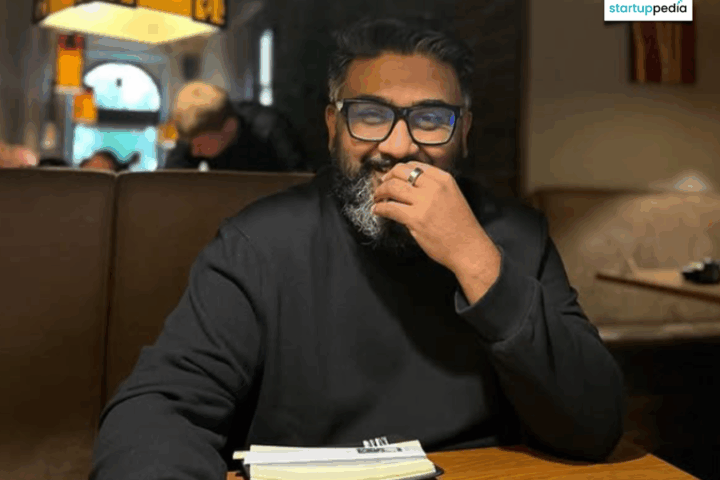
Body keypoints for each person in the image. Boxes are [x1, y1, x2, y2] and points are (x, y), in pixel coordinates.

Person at [90, 17, 624, 480]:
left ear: (463, 132)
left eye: (431, 119)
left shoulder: (518, 236)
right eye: (370, 114)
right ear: (333, 127)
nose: (398, 145)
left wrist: (476, 260)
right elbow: (161, 409)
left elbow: (594, 425)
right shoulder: (259, 243)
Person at [163, 81, 308, 172]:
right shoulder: (194, 135)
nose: (194, 152)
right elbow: (171, 184)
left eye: (201, 146)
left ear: (229, 127)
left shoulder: (271, 130)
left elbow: (301, 186)